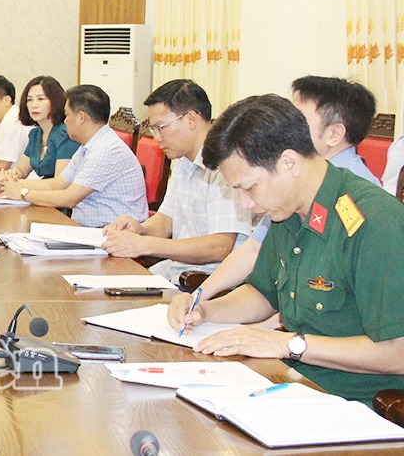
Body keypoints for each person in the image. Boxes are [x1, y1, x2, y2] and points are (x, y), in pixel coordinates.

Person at [172, 94, 404, 404]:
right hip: (289, 382)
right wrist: (204, 311)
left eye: (249, 188)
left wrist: (288, 344)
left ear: (290, 162)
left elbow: (397, 352)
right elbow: (261, 294)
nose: (246, 204)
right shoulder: (287, 211)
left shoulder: (373, 221)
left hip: (355, 404)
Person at [167, 76, 385, 323]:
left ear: (334, 133)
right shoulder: (287, 193)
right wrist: (199, 302)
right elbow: (256, 258)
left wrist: (270, 333)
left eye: (298, 117)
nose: (288, 125)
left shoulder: (362, 206)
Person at [102, 80, 253, 282]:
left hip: (205, 281)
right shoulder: (184, 162)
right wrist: (140, 229)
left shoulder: (224, 165)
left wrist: (145, 245)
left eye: (161, 127)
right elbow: (165, 221)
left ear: (191, 119)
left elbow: (220, 246)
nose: (157, 137)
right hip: (175, 270)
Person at [0, 85, 147, 227]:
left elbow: (69, 198)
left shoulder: (105, 149)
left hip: (109, 234)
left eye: (67, 115)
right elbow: (57, 184)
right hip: (87, 229)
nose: (64, 121)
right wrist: (14, 184)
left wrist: (23, 193)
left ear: (81, 117)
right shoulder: (87, 146)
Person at [0, 76, 79, 181]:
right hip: (40, 189)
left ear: (55, 101)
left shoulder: (65, 133)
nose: (34, 105)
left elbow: (60, 182)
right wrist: (9, 175)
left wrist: (21, 185)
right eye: (29, 100)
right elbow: (21, 171)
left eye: (41, 99)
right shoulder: (35, 134)